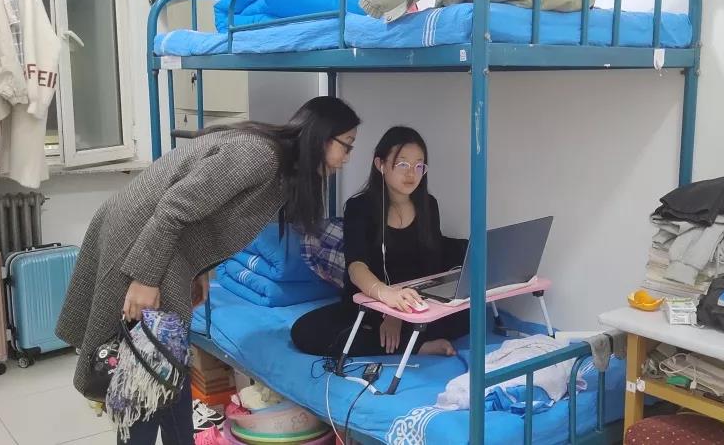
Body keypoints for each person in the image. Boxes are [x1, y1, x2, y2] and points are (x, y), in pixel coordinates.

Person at [55, 96, 361, 445]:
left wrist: (197, 272)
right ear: (321, 136)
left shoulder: (278, 167)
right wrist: (145, 278)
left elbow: (205, 218)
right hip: (141, 239)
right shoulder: (260, 156)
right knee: (145, 368)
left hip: (161, 242)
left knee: (167, 358)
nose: (347, 158)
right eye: (347, 145)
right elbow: (174, 208)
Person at [291, 126, 469, 358]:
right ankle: (414, 346)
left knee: (472, 316)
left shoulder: (428, 205)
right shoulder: (359, 207)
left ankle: (403, 340)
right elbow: (356, 267)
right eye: (402, 164)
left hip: (415, 302)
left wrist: (401, 312)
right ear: (380, 164)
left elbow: (431, 267)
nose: (411, 173)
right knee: (305, 332)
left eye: (419, 166)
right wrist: (388, 302)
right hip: (372, 301)